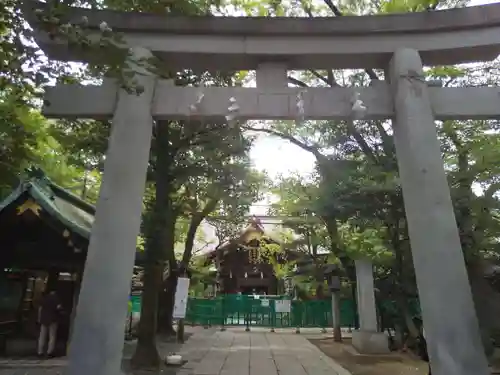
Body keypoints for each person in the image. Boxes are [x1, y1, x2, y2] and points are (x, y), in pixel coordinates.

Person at [37, 290, 62, 358]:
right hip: (53, 319)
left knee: (42, 336)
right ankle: (49, 352)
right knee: (52, 336)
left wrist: (39, 318)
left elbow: (40, 308)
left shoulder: (44, 298)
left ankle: (40, 352)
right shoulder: (55, 298)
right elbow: (59, 307)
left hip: (44, 319)